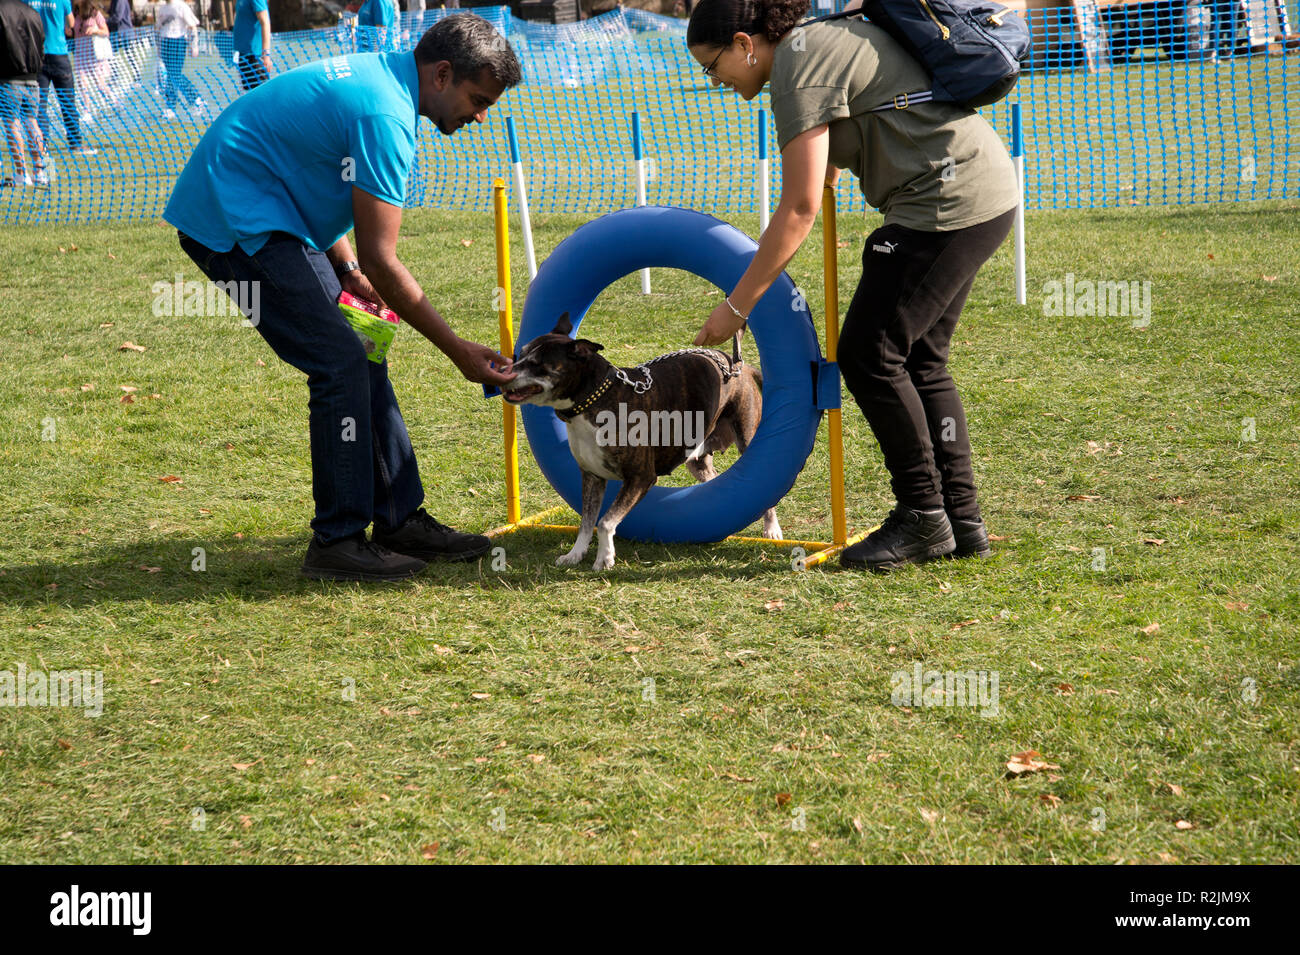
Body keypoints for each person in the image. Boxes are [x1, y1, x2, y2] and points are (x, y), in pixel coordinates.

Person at [163, 13, 523, 581]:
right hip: (228, 218)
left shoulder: (382, 79)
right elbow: (385, 260)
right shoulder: (385, 114)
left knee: (364, 347)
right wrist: (458, 350)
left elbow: (305, 164)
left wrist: (346, 265)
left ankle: (399, 519)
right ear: (442, 74)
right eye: (478, 100)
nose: (480, 116)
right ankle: (338, 541)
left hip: (273, 209)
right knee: (340, 361)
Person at [686, 0, 1019, 572]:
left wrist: (737, 308)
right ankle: (960, 520)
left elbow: (799, 208)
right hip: (982, 190)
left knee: (871, 355)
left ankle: (922, 516)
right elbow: (859, 116)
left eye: (712, 66)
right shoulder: (818, 40)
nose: (715, 81)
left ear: (744, 43)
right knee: (920, 360)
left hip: (943, 204)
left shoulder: (795, 65)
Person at [27, 0, 95, 155]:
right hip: (59, 54)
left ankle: (42, 144)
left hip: (37, 55)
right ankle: (75, 144)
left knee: (39, 105)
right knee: (67, 102)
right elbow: (71, 23)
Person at [1, 0, 50, 186]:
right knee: (31, 122)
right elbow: (41, 43)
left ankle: (21, 173)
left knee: (12, 123)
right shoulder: (32, 12)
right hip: (32, 78)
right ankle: (40, 171)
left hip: (9, 78)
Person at [154, 0, 204, 120]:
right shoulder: (162, 8)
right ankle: (190, 101)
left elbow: (192, 26)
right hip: (165, 43)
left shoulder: (181, 6)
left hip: (178, 42)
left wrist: (194, 45)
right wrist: (159, 47)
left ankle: (186, 102)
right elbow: (158, 29)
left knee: (174, 75)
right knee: (171, 75)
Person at [71, 0, 111, 119]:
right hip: (79, 54)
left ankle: (115, 102)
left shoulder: (95, 13)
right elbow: (73, 31)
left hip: (93, 55)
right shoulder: (74, 13)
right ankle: (87, 110)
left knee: (100, 85)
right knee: (82, 83)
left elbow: (106, 32)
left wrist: (95, 30)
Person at [231, 0, 270, 90]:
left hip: (255, 56)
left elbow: (265, 23)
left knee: (261, 92)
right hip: (243, 54)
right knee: (249, 92)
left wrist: (266, 54)